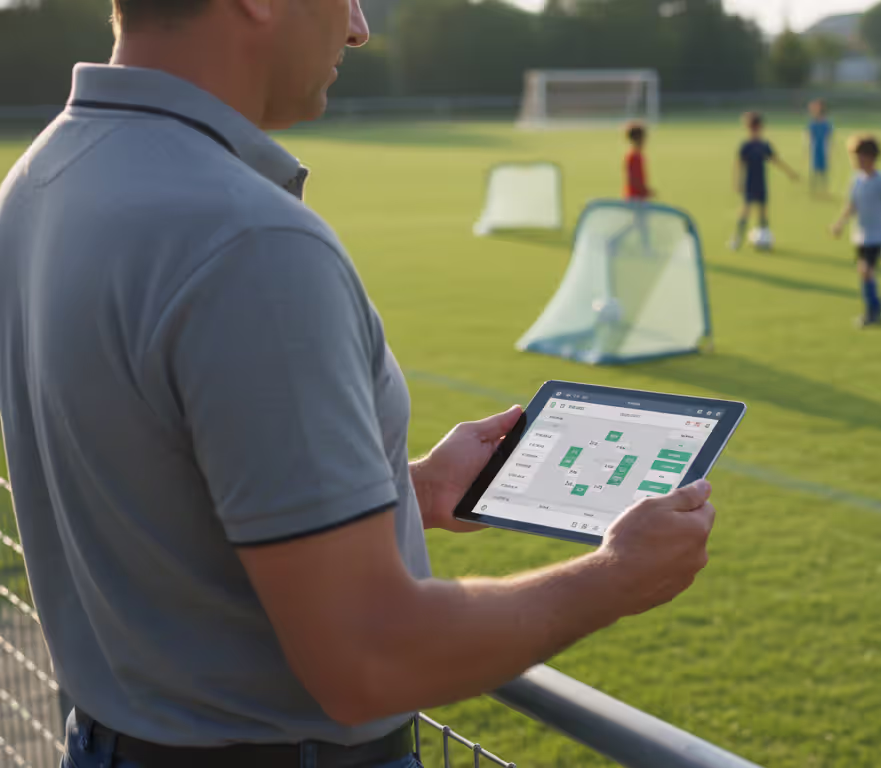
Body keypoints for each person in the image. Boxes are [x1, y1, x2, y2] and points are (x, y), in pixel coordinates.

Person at [0, 0, 717, 766]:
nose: (359, 27)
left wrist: (409, 491)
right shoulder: (249, 240)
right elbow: (370, 658)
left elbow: (153, 486)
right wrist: (613, 575)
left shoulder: (40, 178)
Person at [830, 135, 881, 327]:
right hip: (860, 235)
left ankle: (873, 311)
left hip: (878, 235)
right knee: (864, 272)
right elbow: (852, 205)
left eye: (858, 157)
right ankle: (874, 306)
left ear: (870, 157)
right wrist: (839, 224)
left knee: (866, 270)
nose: (855, 161)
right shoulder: (857, 180)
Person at [730, 111, 798, 251]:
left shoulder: (764, 145)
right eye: (751, 127)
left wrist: (790, 172)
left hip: (761, 183)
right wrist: (738, 182)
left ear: (760, 127)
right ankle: (737, 239)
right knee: (745, 211)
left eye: (756, 127)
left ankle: (764, 239)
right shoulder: (746, 146)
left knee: (763, 212)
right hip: (749, 183)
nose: (754, 130)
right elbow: (739, 165)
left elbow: (775, 160)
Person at [806, 99, 834, 198]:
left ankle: (824, 190)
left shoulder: (826, 123)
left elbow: (829, 136)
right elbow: (809, 135)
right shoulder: (813, 123)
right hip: (815, 147)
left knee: (824, 170)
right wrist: (809, 146)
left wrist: (829, 149)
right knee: (814, 168)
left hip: (823, 147)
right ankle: (813, 189)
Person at [624, 121, 653, 201]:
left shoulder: (638, 156)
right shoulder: (633, 157)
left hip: (640, 197)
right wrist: (645, 191)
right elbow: (633, 180)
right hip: (635, 198)